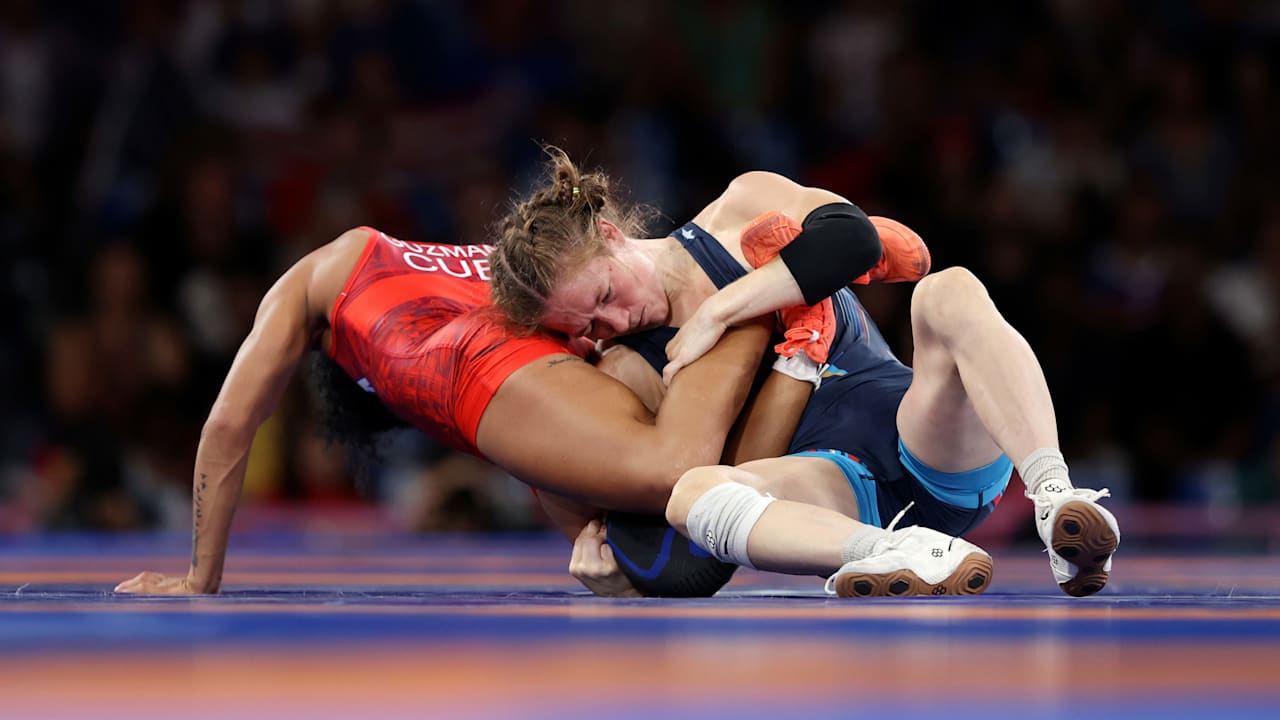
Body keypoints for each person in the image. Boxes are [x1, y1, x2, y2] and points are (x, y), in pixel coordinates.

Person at [489, 149, 1121, 597]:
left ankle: (1056, 497)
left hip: (923, 435)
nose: (615, 321)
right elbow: (697, 527)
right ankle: (900, 555)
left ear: (612, 234)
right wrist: (615, 569)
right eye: (588, 326)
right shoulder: (625, 369)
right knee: (691, 496)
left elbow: (854, 241)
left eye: (604, 294)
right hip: (831, 495)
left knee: (948, 290)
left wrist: (721, 309)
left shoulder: (738, 212)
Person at [113, 223, 775, 597]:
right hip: (555, 339)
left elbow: (231, 423)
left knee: (673, 471)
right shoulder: (455, 256)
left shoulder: (312, 278)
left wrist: (201, 576)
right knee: (636, 487)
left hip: (468, 365)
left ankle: (757, 308)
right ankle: (772, 330)